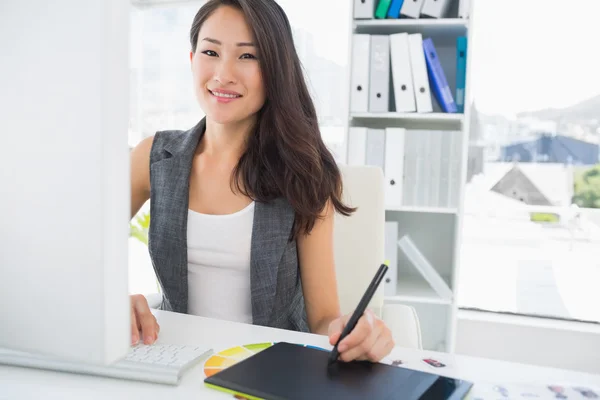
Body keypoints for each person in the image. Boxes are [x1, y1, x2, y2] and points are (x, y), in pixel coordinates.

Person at [128, 0, 394, 363]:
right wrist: (110, 302)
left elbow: (322, 319)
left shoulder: (303, 173)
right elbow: (78, 250)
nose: (223, 74)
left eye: (247, 56)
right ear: (192, 61)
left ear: (275, 70)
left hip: (272, 372)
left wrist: (353, 334)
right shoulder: (153, 158)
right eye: (210, 52)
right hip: (176, 366)